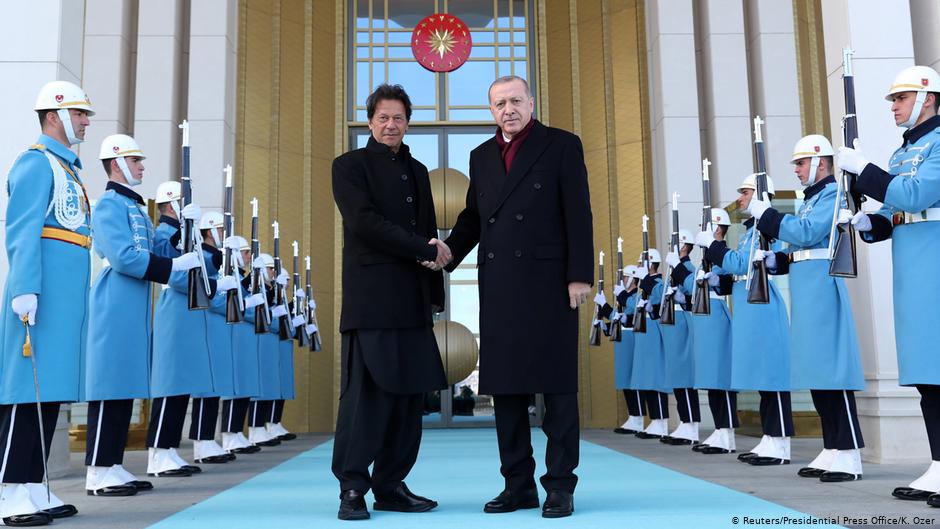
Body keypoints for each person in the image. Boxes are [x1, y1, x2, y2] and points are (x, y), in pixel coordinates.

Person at [442, 75, 593, 519]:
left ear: (531, 101)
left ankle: (560, 486)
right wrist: (447, 253)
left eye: (514, 100)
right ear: (491, 111)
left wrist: (578, 276)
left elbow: (578, 212)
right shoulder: (481, 156)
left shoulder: (561, 144)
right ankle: (518, 486)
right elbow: (475, 217)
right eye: (498, 103)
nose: (507, 109)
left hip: (550, 285)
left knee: (558, 390)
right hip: (501, 283)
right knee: (506, 393)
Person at [330, 84, 448, 521]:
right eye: (383, 117)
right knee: (367, 396)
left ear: (407, 122)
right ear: (369, 121)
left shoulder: (417, 170)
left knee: (409, 397)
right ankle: (353, 488)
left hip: (413, 300)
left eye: (398, 118)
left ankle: (391, 484)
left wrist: (434, 291)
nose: (391, 125)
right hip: (372, 300)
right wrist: (423, 248)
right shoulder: (349, 166)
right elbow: (363, 223)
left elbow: (430, 229)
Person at [837, 65, 940, 504]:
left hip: (934, 262)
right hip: (913, 267)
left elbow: (917, 195)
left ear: (928, 98)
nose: (894, 107)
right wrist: (869, 221)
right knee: (925, 373)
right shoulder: (904, 152)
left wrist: (864, 167)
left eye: (899, 98)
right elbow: (898, 210)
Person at [85, 135, 203, 497]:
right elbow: (124, 257)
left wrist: (185, 228)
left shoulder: (135, 208)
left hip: (134, 300)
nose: (141, 166)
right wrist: (171, 266)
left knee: (125, 385)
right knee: (110, 385)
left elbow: (157, 249)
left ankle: (113, 464)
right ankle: (98, 471)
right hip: (115, 300)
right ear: (117, 163)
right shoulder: (109, 205)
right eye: (135, 160)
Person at [0, 80, 93, 526]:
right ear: (54, 115)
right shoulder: (36, 164)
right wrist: (25, 287)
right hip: (38, 295)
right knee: (25, 389)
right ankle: (12, 491)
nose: (86, 122)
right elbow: (21, 231)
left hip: (62, 300)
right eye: (79, 114)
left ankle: (35, 486)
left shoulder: (69, 169)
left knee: (49, 389)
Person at [749, 134, 865, 482]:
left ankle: (849, 453)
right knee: (816, 371)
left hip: (821, 285)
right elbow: (800, 243)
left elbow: (806, 232)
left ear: (821, 162)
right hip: (806, 285)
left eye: (801, 164)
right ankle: (832, 447)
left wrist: (768, 216)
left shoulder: (832, 194)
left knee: (832, 370)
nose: (797, 171)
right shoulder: (812, 199)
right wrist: (777, 260)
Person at [705, 175, 794, 466]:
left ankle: (780, 441)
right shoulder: (749, 232)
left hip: (763, 304)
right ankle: (769, 437)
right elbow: (740, 269)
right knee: (761, 374)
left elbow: (743, 263)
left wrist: (715, 248)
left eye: (746, 192)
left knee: (772, 373)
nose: (741, 198)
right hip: (749, 303)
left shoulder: (767, 227)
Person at [187, 211, 238, 465]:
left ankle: (206, 438)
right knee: (206, 385)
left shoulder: (215, 259)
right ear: (208, 231)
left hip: (217, 325)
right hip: (208, 321)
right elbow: (207, 294)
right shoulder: (206, 258)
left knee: (213, 384)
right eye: (220, 229)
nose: (223, 235)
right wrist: (224, 294)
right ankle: (201, 440)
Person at [690, 209, 738, 455]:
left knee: (721, 375)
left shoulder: (721, 253)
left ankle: (727, 431)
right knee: (710, 375)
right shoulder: (707, 255)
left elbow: (729, 278)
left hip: (717, 311)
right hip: (705, 315)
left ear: (717, 228)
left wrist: (715, 281)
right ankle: (719, 428)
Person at [661, 230, 701, 445]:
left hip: (683, 322)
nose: (670, 245)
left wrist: (682, 297)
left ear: (684, 246)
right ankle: (685, 421)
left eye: (673, 242)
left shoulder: (685, 267)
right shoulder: (675, 268)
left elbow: (693, 291)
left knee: (684, 374)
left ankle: (691, 424)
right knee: (677, 374)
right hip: (674, 323)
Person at [630, 249, 672, 441]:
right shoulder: (645, 285)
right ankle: (654, 419)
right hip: (645, 332)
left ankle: (661, 420)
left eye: (641, 264)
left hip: (654, 331)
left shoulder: (658, 282)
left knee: (655, 376)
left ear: (651, 264)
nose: (639, 267)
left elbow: (660, 299)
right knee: (646, 377)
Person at [613, 265, 646, 434]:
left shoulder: (634, 295)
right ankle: (633, 416)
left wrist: (621, 295)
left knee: (633, 379)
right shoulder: (624, 297)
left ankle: (638, 417)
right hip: (623, 337)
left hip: (633, 337)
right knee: (625, 379)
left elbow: (633, 308)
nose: (624, 281)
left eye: (626, 277)